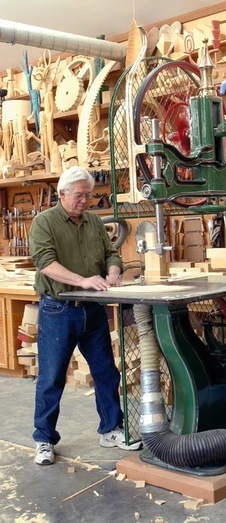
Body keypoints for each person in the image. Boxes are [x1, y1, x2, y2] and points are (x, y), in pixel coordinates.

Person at [29, 166, 141, 466]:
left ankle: (110, 429)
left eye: (88, 196)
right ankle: (43, 439)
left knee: (106, 371)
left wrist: (113, 272)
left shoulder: (94, 221)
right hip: (58, 309)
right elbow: (45, 263)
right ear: (62, 194)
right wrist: (83, 280)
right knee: (52, 378)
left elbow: (111, 254)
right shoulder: (44, 222)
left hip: (92, 308)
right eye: (78, 196)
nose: (84, 202)